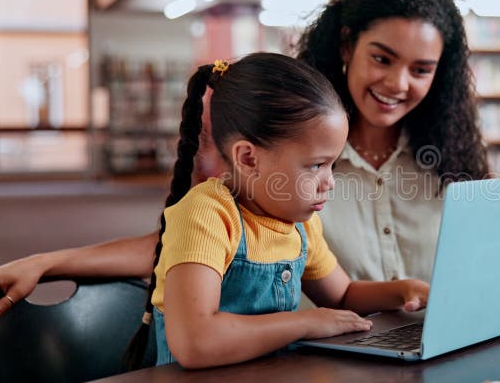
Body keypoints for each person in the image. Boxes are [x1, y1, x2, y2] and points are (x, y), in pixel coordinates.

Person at [0, 0, 500, 325]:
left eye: (422, 68)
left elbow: (484, 266)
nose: (398, 83)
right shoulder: (284, 146)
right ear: (348, 44)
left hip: (436, 359)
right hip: (320, 364)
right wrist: (46, 260)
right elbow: (189, 239)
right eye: (383, 58)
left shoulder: (454, 162)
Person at [124, 53, 429, 369]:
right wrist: (305, 323)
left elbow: (342, 295)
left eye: (332, 165)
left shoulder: (300, 225)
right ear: (248, 159)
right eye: (316, 165)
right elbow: (195, 342)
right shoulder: (206, 215)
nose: (330, 183)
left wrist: (405, 290)